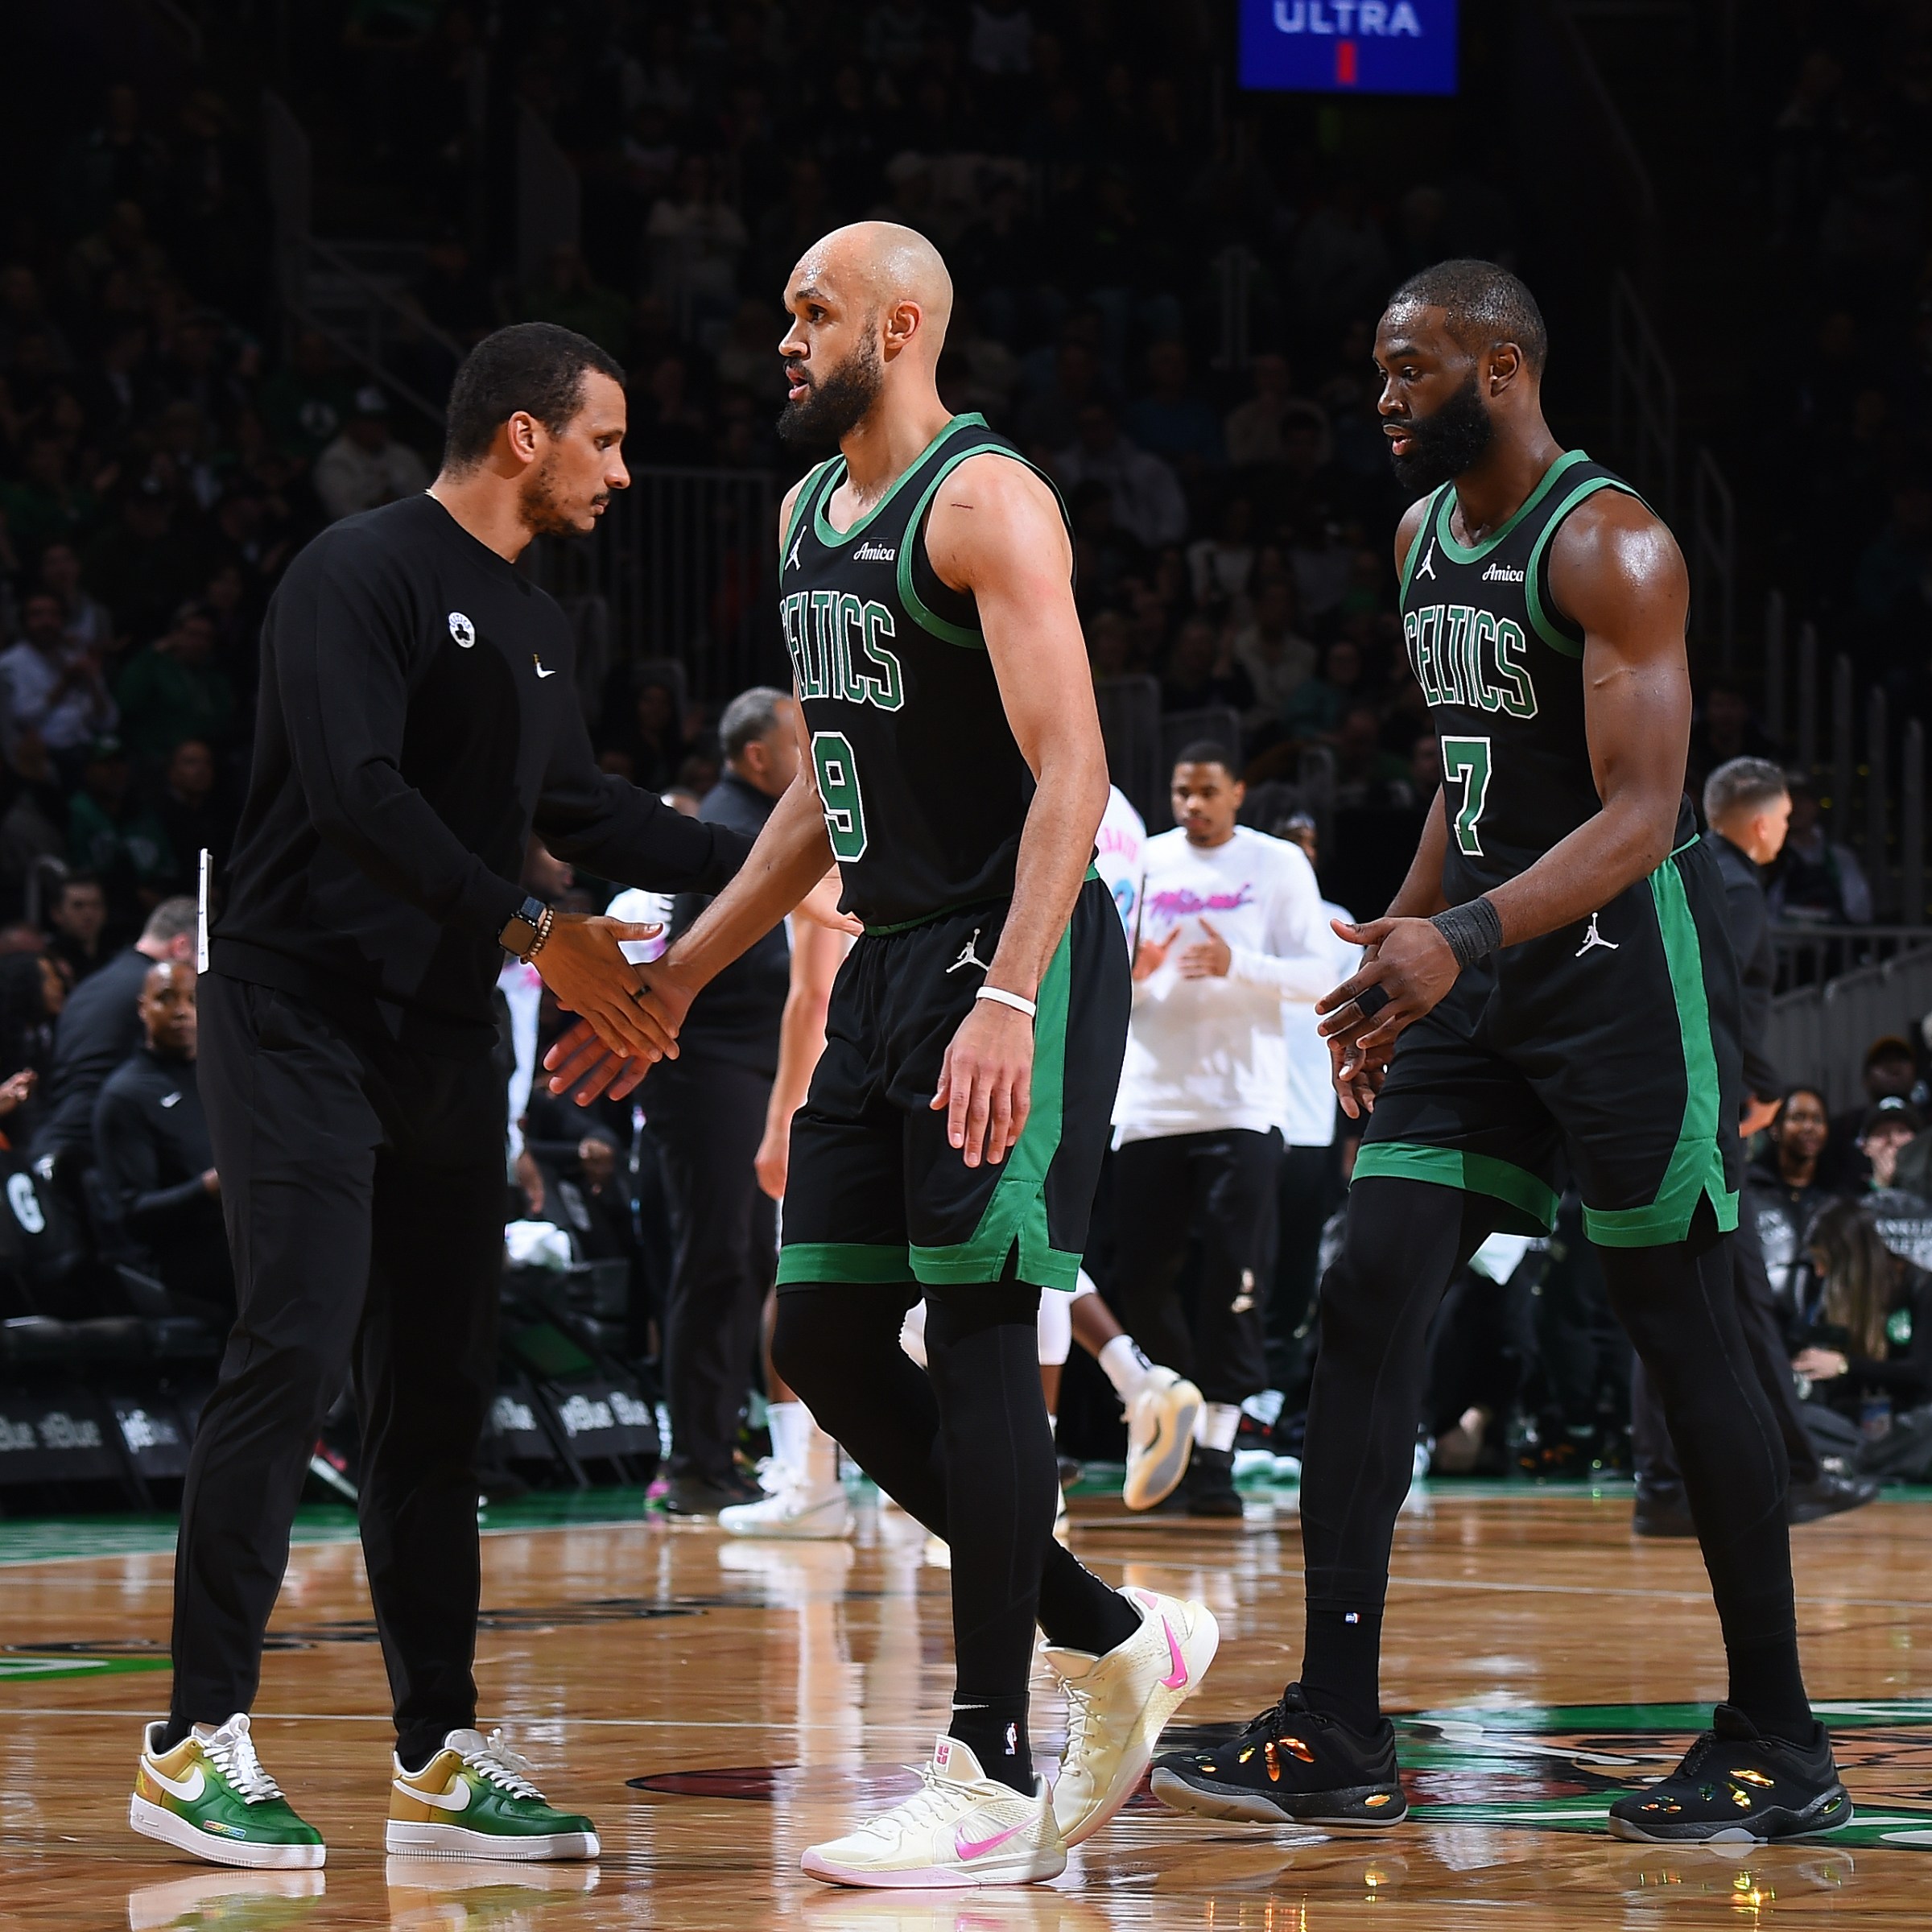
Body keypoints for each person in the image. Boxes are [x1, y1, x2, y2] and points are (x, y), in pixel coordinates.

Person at [547, 223, 1216, 1888]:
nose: (783, 337)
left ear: (900, 325)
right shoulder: (800, 514)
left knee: (990, 1327)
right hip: (891, 953)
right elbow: (817, 786)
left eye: (811, 311)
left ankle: (989, 1757)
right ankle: (1117, 1637)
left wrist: (1008, 991)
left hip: (1014, 953)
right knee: (823, 1333)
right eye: (785, 312)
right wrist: (686, 970)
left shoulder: (987, 504)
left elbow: (1074, 771)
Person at [1152, 261, 1849, 1843]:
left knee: (1690, 1341)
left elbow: (1641, 813)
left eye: (1412, 368)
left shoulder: (1613, 545)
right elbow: (1471, 778)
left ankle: (1777, 1738)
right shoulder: (1418, 538)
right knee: (1368, 1287)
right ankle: (1333, 1722)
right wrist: (1401, 956)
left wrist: (1454, 943)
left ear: (1507, 364)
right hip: (1478, 980)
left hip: (1613, 986)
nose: (1384, 395)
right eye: (1381, 370)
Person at [130, 323, 759, 1872]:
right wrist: (533, 925)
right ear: (527, 435)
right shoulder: (358, 572)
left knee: (437, 1398)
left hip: (437, 1037)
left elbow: (578, 805)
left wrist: (767, 855)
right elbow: (357, 790)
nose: (624, 470)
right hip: (294, 1016)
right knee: (292, 1347)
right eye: (607, 442)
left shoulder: (540, 621)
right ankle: (191, 1739)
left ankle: (436, 1754)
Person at [1631, 758, 1874, 1536]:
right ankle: (1777, 1474)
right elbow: (1717, 994)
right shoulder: (1733, 886)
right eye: (1785, 816)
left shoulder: (1700, 872)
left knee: (1691, 1294)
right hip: (1709, 1114)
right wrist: (1764, 1088)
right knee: (1714, 1300)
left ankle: (1676, 1483)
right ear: (1764, 820)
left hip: (1689, 1109)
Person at [1110, 746, 1332, 1514]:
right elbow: (1103, 975)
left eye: (1208, 791)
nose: (1192, 804)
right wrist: (1127, 972)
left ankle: (1216, 1456)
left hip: (1241, 1105)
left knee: (1233, 1281)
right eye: (1181, 791)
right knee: (1137, 1276)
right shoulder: (1143, 861)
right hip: (1147, 1104)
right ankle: (1177, 1415)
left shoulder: (1275, 866)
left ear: (1238, 793)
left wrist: (1239, 962)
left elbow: (1321, 977)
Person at [649, 685, 803, 1516]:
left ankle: (717, 1450)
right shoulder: (727, 824)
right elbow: (734, 957)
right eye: (798, 738)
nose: (812, 751)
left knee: (744, 1260)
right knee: (715, 1260)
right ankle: (694, 1461)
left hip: (746, 1060)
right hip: (706, 1061)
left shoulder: (756, 817)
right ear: (756, 757)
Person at [91, 960, 230, 1318]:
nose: (181, 1011)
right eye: (166, 998)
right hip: (180, 1257)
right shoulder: (126, 1096)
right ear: (143, 1007)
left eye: (192, 999)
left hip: (238, 1234)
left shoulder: (225, 1077)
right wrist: (207, 1188)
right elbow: (131, 1215)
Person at [35, 895, 197, 1161]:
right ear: (181, 946)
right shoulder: (152, 991)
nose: (181, 1010)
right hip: (94, 1149)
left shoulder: (96, 982)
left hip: (59, 1133)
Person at [312, 385, 431, 522]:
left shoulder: (403, 455)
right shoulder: (334, 462)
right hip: (363, 538)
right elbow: (345, 516)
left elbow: (428, 502)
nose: (377, 427)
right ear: (352, 422)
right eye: (369, 421)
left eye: (381, 421)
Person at [45, 873, 109, 984]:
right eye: (78, 906)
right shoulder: (49, 961)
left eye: (96, 905)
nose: (89, 914)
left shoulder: (114, 957)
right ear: (57, 913)